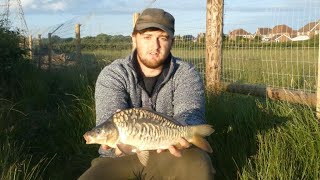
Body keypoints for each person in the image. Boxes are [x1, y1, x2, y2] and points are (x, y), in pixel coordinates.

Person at [79, 8, 215, 180]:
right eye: (147, 37)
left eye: (163, 38)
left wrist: (180, 132)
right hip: (119, 157)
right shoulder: (113, 74)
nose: (154, 46)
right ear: (134, 38)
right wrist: (117, 145)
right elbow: (109, 119)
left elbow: (191, 114)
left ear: (172, 42)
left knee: (199, 164)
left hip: (170, 154)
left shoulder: (186, 73)